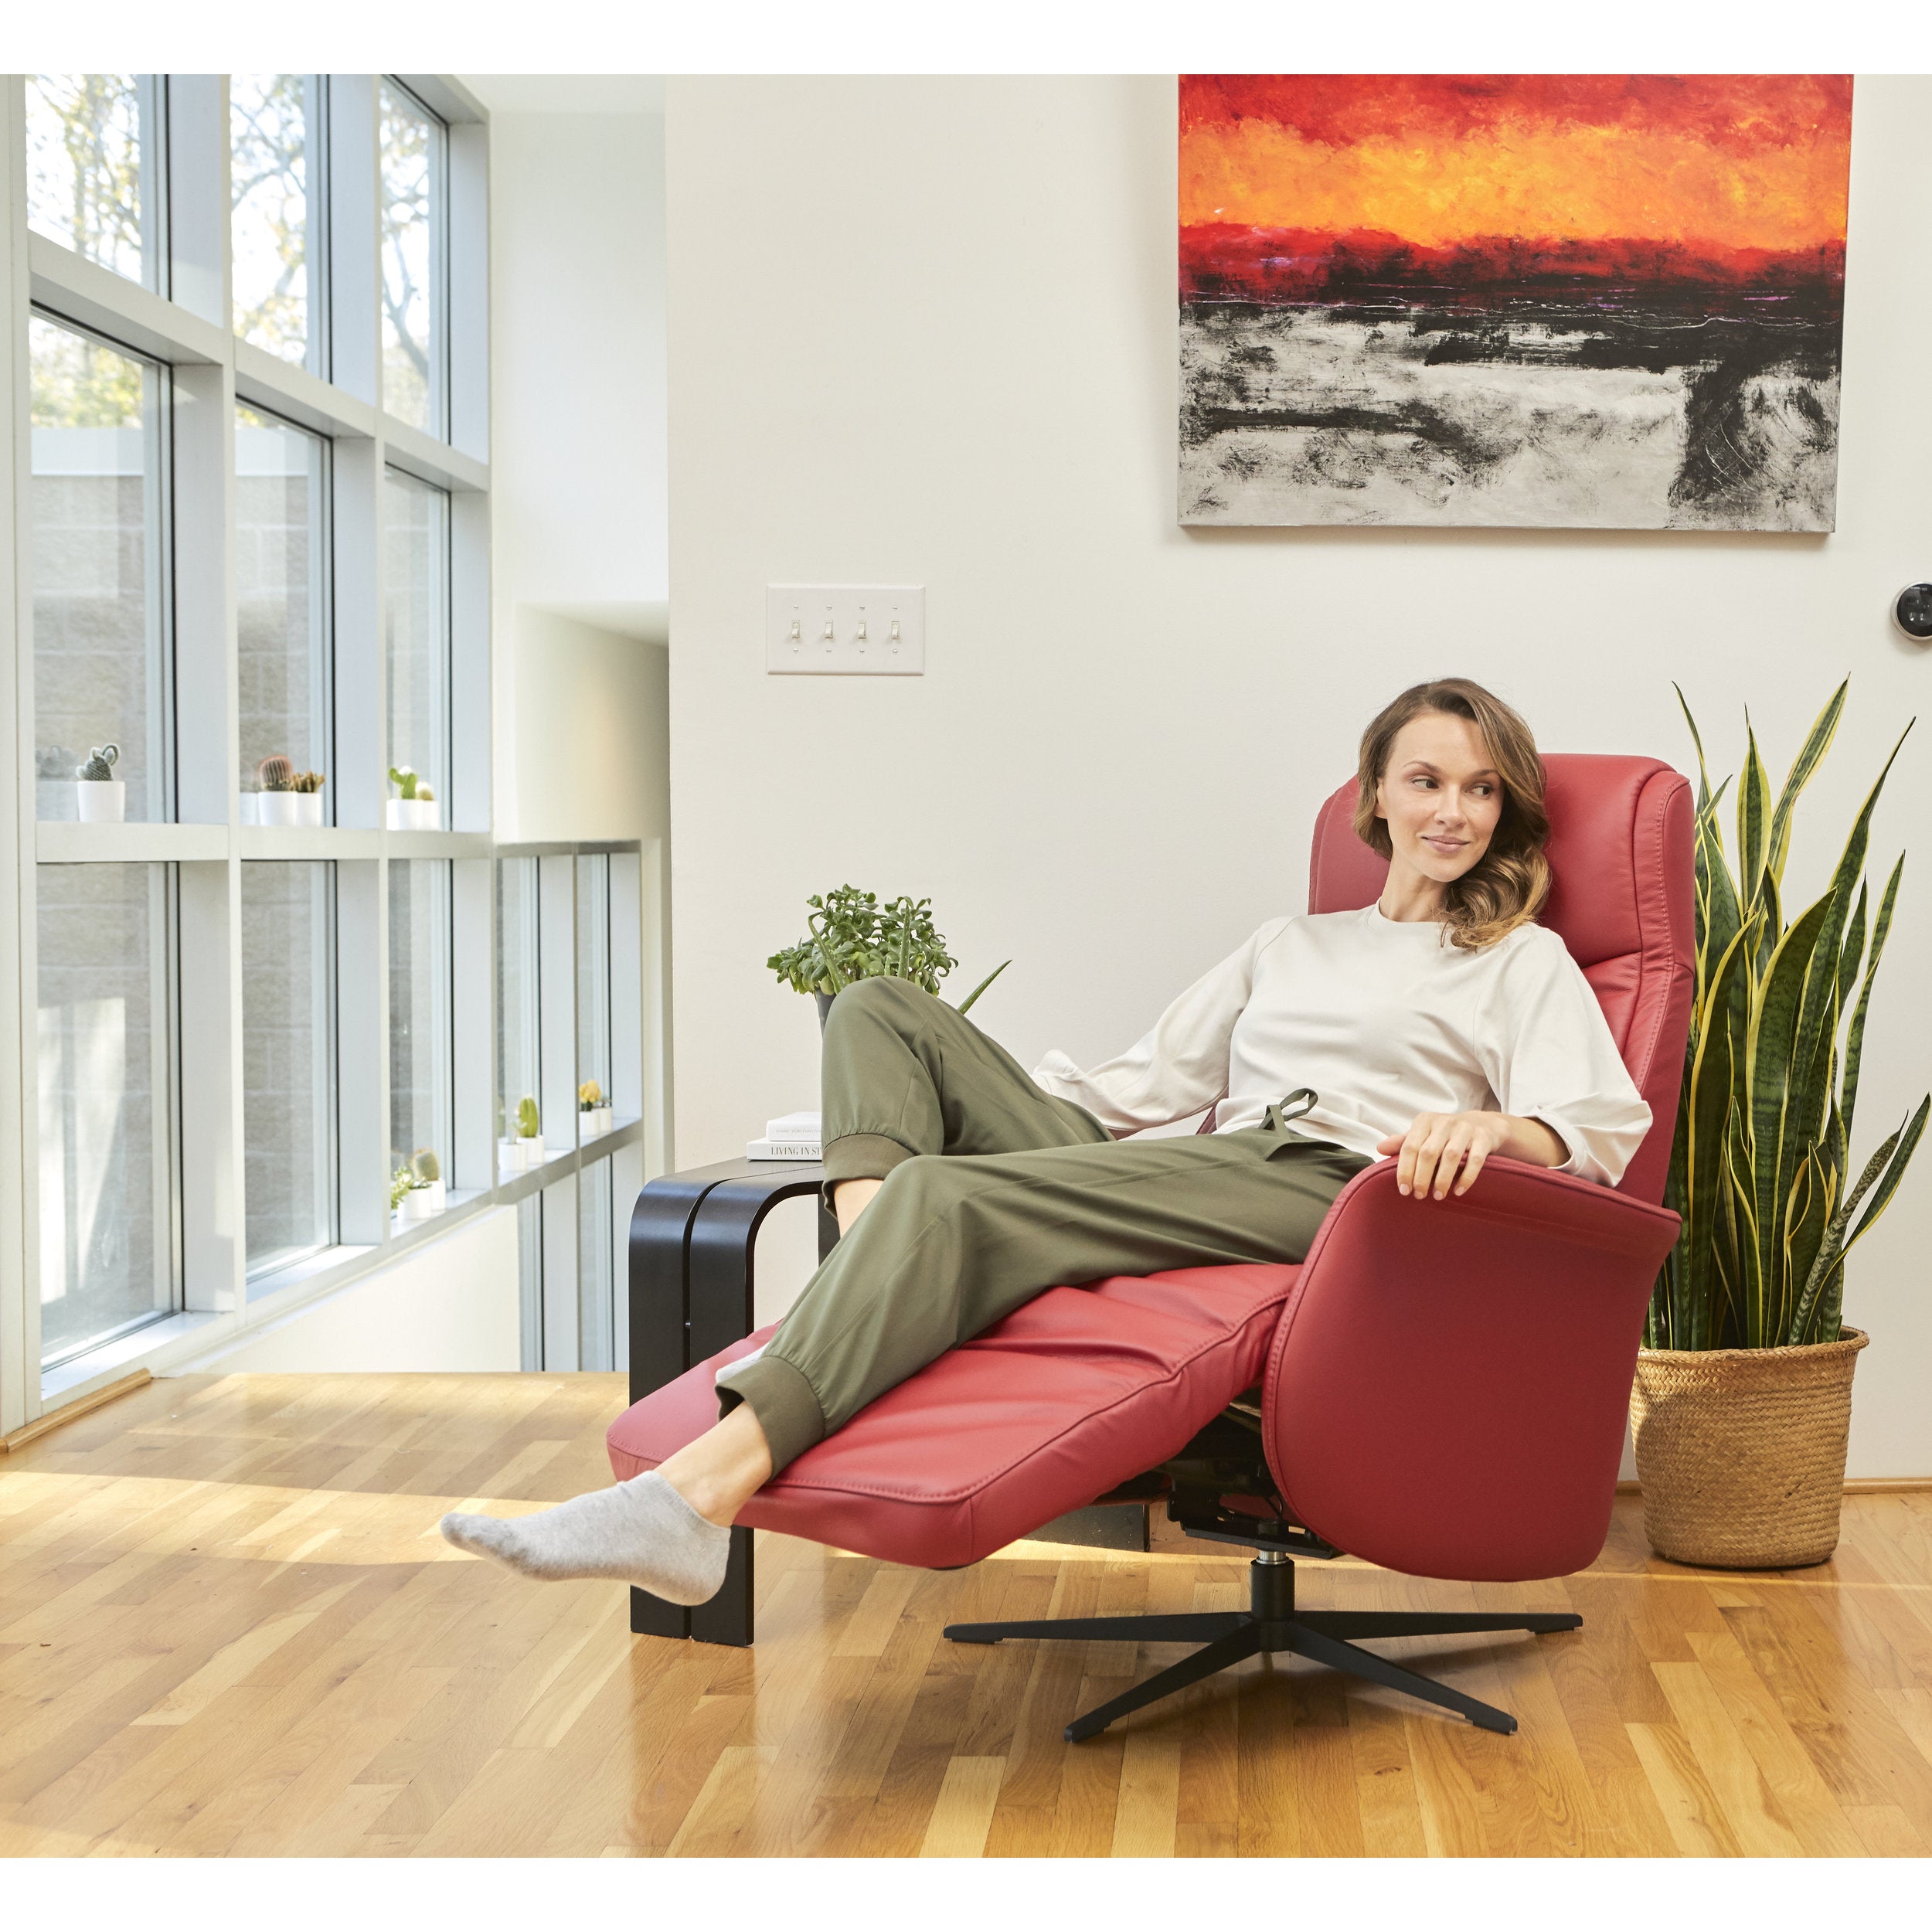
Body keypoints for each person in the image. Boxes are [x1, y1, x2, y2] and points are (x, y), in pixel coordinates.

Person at [441, 676, 1651, 1604]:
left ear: (1505, 810)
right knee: (878, 1005)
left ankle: (693, 1493)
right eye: (1427, 781)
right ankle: (881, 1248)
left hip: (1334, 1190)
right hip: (1216, 1164)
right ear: (1373, 797)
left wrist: (1492, 1126)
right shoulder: (1293, 944)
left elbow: (1598, 1127)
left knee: (947, 1200)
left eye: (1482, 790)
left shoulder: (1516, 958)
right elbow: (1137, 1090)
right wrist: (964, 1102)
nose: (1453, 812)